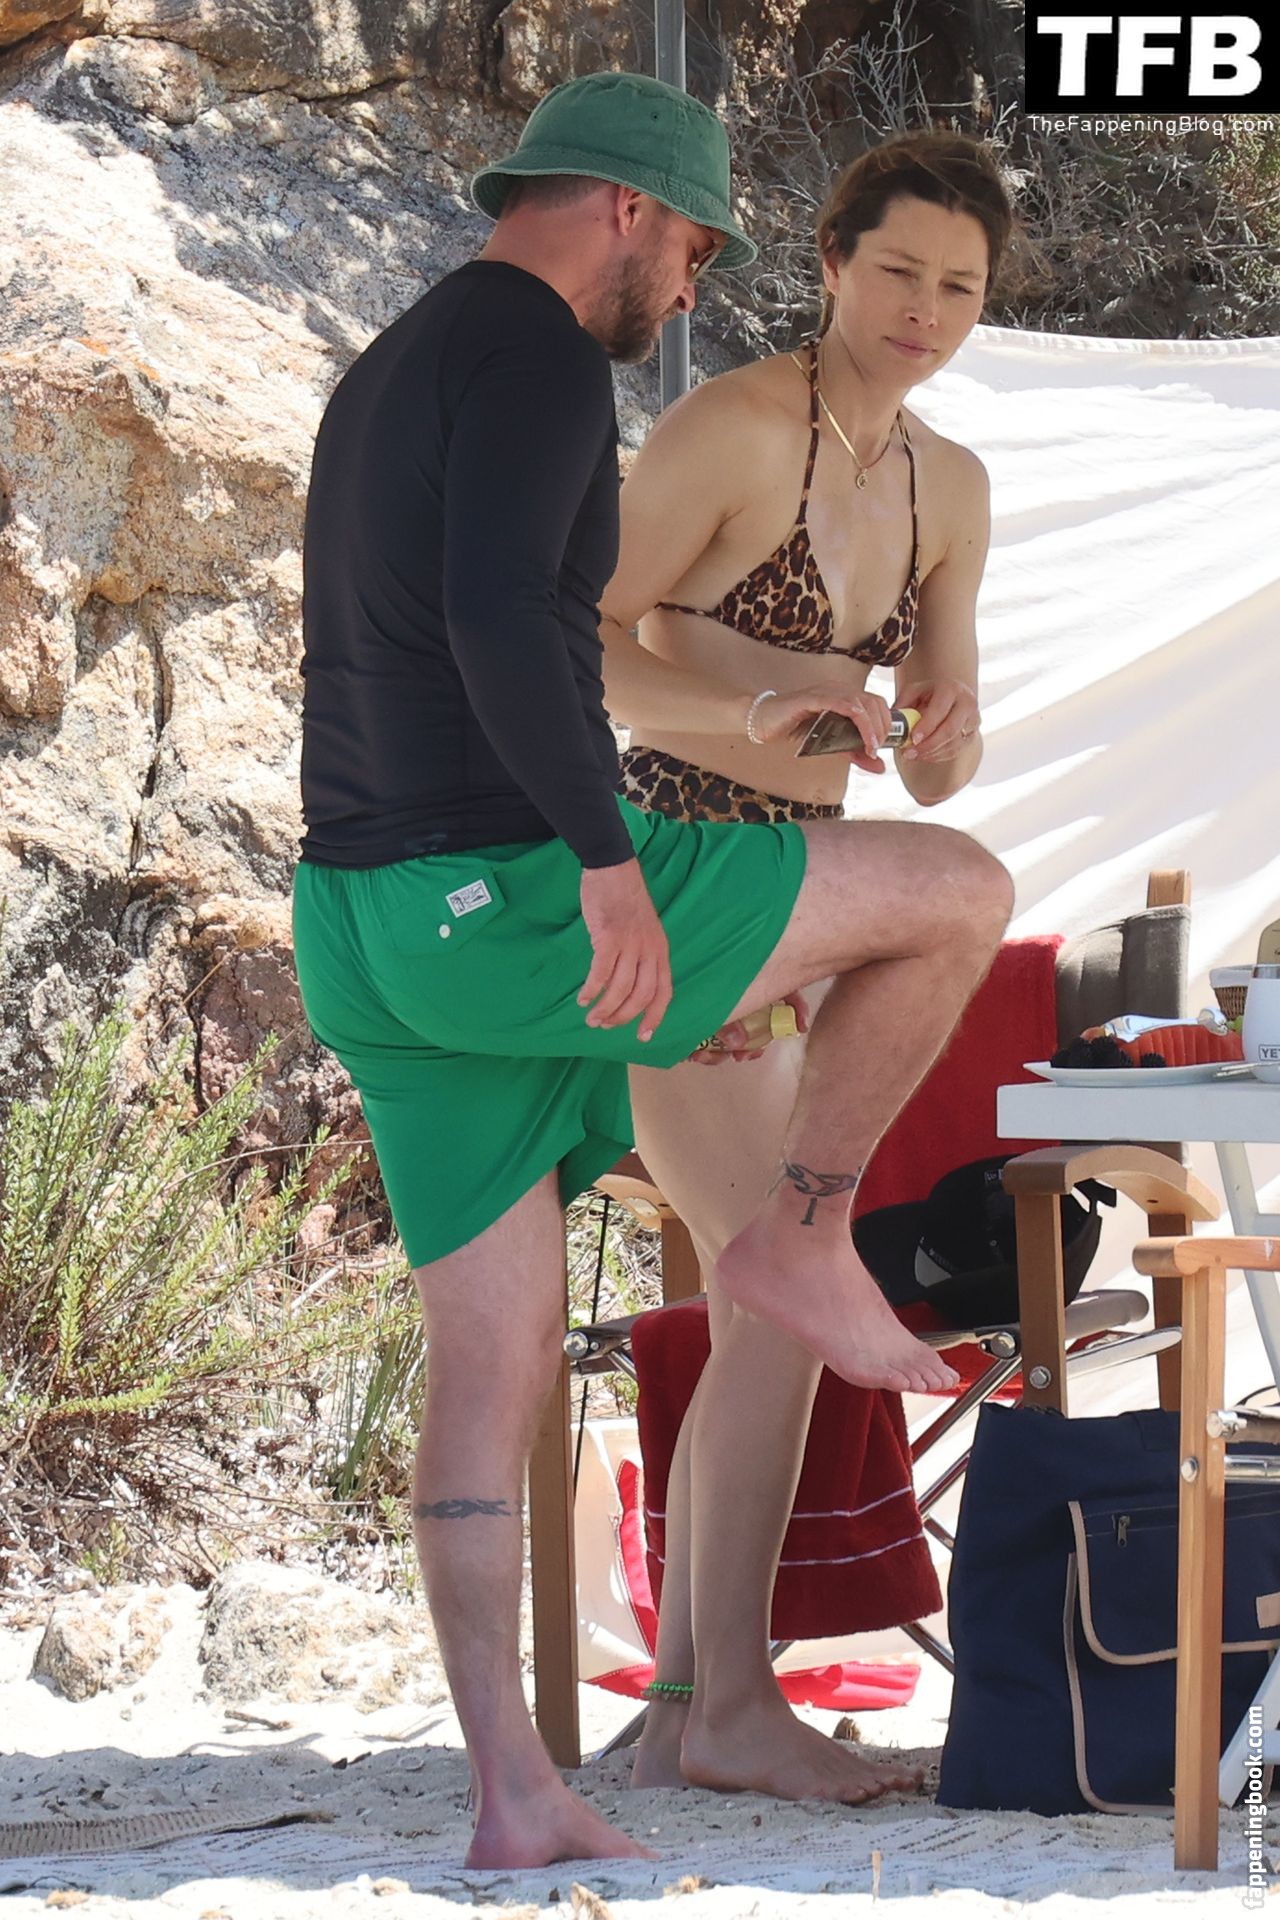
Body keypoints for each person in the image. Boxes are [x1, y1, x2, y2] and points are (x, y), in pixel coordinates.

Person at [291, 68, 1012, 1871]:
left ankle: (516, 1795)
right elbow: (513, 625)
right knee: (958, 895)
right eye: (694, 245)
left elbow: (439, 629)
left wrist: (908, 716)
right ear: (626, 208)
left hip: (367, 911)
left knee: (495, 1359)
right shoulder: (545, 357)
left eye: (963, 286)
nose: (692, 286)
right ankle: (804, 1251)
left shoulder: (398, 358)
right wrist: (608, 859)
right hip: (542, 880)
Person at [598, 132, 1013, 1804]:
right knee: (769, 1292)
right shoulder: (732, 426)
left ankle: (691, 1705)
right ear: (833, 262)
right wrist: (759, 704)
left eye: (961, 287)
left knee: (759, 1296)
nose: (926, 309)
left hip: (814, 898)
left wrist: (945, 727)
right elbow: (589, 647)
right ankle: (723, 1709)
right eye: (898, 269)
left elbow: (941, 773)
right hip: (677, 871)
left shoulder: (948, 487)